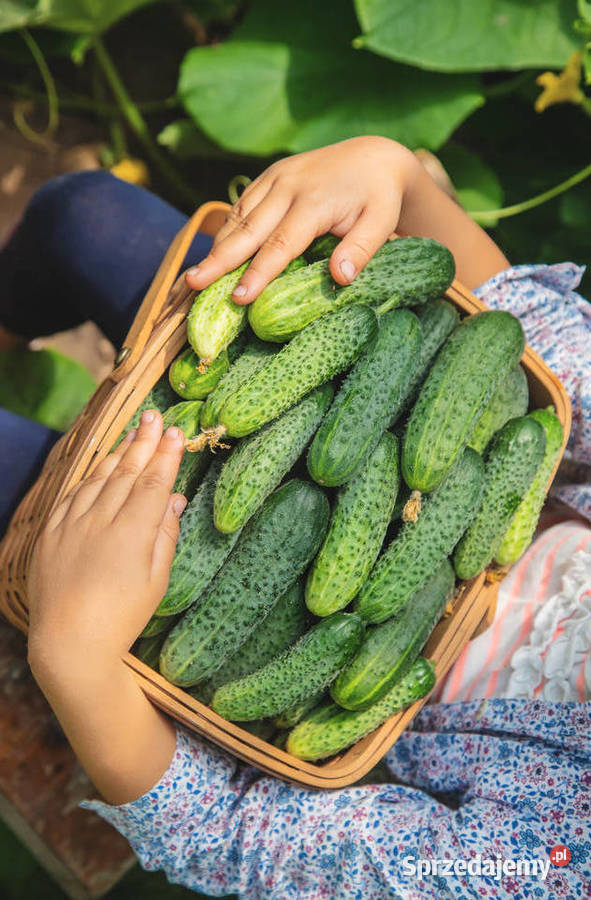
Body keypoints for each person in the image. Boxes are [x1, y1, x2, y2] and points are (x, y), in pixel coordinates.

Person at [1, 137, 590, 899]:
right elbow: (539, 337)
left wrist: (76, 656)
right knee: (81, 212)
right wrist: (399, 178)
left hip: (178, 621)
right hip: (345, 422)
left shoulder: (541, 866)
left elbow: (233, 838)